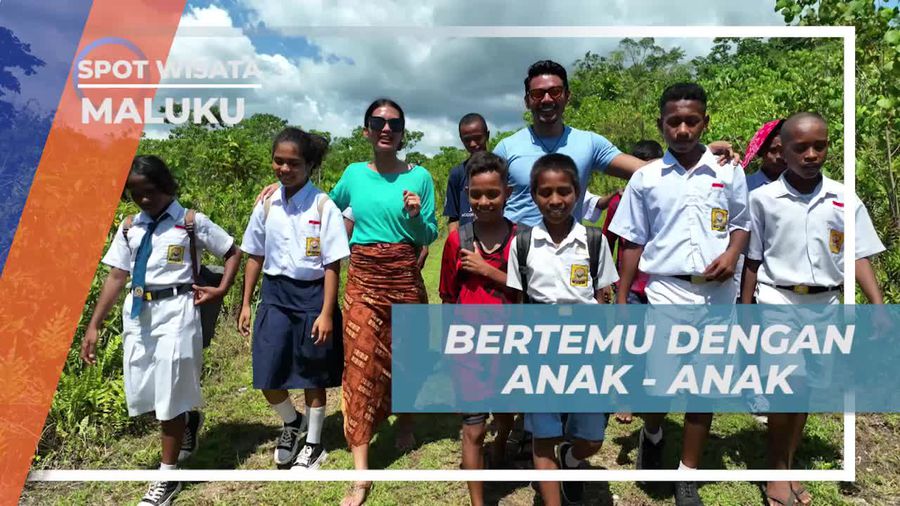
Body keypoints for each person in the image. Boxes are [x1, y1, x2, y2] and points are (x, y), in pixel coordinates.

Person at [608, 83, 750, 506]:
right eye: (674, 121)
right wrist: (619, 301)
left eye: (692, 120)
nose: (683, 129)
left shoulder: (729, 172)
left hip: (717, 295)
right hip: (666, 290)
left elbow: (741, 223)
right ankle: (653, 431)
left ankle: (686, 473)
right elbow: (632, 240)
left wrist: (732, 253)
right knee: (660, 384)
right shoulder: (646, 179)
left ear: (705, 122)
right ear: (662, 125)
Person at [741, 112, 885, 506]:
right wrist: (745, 309)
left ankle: (787, 467)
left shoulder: (842, 197)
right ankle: (776, 474)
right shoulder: (762, 199)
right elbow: (752, 261)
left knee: (805, 390)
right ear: (781, 151)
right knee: (786, 387)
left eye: (818, 146)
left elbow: (858, 255)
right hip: (777, 300)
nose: (810, 154)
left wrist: (878, 304)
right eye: (799, 147)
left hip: (826, 303)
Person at [81, 155, 239, 506]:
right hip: (138, 315)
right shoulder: (129, 227)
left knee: (169, 395)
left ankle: (167, 479)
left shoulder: (189, 222)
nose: (145, 201)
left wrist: (222, 289)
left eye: (151, 192)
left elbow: (232, 251)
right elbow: (116, 275)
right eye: (136, 195)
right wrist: (94, 324)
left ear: (166, 186)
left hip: (177, 312)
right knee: (148, 394)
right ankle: (188, 420)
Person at [329, 98, 438, 506]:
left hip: (404, 276)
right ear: (367, 130)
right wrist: (284, 189)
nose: (386, 128)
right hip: (363, 279)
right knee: (359, 364)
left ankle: (406, 421)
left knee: (407, 355)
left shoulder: (421, 177)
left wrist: (413, 214)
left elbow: (427, 234)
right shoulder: (354, 174)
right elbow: (326, 206)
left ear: (402, 131)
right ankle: (361, 472)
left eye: (394, 123)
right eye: (378, 122)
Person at [495, 60, 738, 227]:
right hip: (516, 254)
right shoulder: (507, 148)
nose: (547, 99)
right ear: (527, 101)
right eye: (538, 94)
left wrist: (700, 152)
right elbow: (484, 199)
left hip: (566, 256)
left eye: (555, 92)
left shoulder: (589, 143)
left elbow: (645, 169)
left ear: (567, 96)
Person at [506, 153, 618, 506]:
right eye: (546, 192)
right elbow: (517, 302)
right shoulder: (523, 244)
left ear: (578, 191)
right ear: (534, 195)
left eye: (564, 191)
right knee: (542, 435)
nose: (555, 200)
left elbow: (604, 299)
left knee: (592, 437)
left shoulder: (594, 242)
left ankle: (572, 456)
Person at [238, 127, 349, 470]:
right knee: (267, 373)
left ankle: (313, 444)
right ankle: (291, 421)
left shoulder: (323, 205)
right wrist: (245, 302)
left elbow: (332, 263)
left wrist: (327, 312)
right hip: (275, 294)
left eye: (293, 164)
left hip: (313, 296)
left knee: (312, 374)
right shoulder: (267, 202)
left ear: (309, 165)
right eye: (279, 162)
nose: (284, 169)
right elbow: (254, 254)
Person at [439, 150, 517, 506]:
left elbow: (534, 290)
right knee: (472, 428)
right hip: (469, 346)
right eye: (475, 195)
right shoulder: (458, 241)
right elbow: (448, 294)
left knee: (504, 413)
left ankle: (502, 440)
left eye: (492, 194)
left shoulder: (524, 240)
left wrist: (488, 271)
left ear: (508, 193)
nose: (484, 202)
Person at [601, 139, 664, 425]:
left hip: (664, 286)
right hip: (632, 286)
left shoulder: (669, 196)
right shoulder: (618, 202)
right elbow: (607, 241)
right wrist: (606, 280)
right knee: (631, 344)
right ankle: (626, 397)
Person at [444, 113, 491, 232]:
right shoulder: (457, 174)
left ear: (487, 135)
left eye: (478, 138)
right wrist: (455, 245)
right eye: (467, 140)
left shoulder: (500, 170)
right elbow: (453, 218)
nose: (473, 144)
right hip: (467, 241)